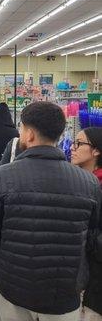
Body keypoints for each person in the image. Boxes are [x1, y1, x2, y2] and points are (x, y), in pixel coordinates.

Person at [0, 101, 102, 321]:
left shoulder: (0, 177)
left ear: (29, 134)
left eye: (22, 128)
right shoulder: (89, 183)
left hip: (10, 286)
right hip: (62, 294)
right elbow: (92, 239)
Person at [70, 127, 102, 321]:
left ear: (96, 150)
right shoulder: (75, 182)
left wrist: (84, 235)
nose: (73, 147)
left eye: (80, 143)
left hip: (95, 286)